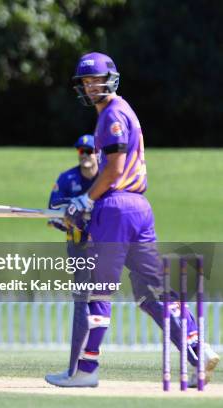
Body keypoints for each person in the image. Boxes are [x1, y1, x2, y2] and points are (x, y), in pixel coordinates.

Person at [45, 52, 219, 387]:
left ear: (110, 78)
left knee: (99, 289)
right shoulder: (123, 110)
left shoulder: (111, 114)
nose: (90, 85)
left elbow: (112, 169)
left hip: (117, 206)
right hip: (140, 208)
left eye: (95, 79)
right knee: (149, 292)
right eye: (85, 81)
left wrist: (85, 199)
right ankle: (198, 348)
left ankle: (86, 371)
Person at [46, 135, 98, 379]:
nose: (86, 154)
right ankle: (75, 367)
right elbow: (53, 214)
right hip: (78, 247)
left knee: (100, 300)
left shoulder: (108, 177)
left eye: (90, 150)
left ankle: (84, 365)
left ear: (99, 152)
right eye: (81, 150)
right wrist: (73, 223)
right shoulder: (67, 179)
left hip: (107, 247)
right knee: (81, 303)